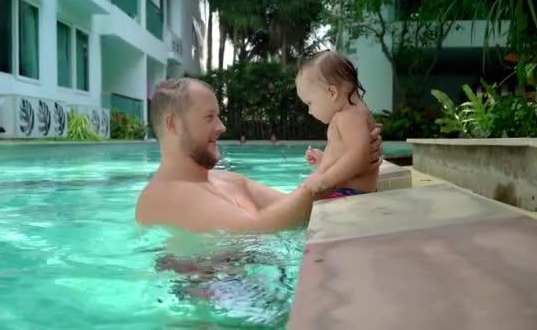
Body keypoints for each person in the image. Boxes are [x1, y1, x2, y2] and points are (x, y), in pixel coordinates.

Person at [135, 78, 383, 233]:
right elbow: (257, 230)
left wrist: (349, 158)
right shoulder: (165, 197)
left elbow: (296, 207)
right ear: (172, 124)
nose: (221, 127)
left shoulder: (226, 180)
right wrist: (338, 166)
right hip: (215, 308)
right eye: (209, 117)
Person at [297, 50, 379, 198]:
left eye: (310, 103)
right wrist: (324, 158)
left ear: (332, 92)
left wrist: (324, 180)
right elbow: (349, 152)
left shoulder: (349, 115)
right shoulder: (353, 112)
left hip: (350, 193)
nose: (309, 111)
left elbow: (358, 156)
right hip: (353, 192)